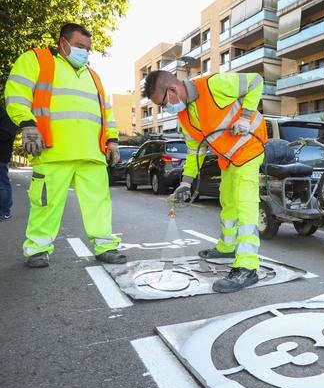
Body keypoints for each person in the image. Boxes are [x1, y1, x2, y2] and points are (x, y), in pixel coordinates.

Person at [4, 23, 126, 268]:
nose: (85, 52)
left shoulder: (94, 76)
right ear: (63, 43)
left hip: (92, 152)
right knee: (45, 203)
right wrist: (28, 125)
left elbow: (106, 113)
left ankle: (105, 245)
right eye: (80, 46)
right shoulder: (37, 60)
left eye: (88, 48)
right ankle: (37, 249)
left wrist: (112, 141)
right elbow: (16, 94)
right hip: (53, 151)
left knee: (99, 203)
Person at [143, 70, 267, 293]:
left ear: (172, 90)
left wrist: (246, 117)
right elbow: (194, 151)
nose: (165, 109)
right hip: (228, 157)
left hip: (250, 147)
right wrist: (185, 183)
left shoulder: (214, 85)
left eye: (162, 104)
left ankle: (248, 266)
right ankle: (227, 247)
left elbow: (256, 80)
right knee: (227, 200)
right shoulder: (184, 115)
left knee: (244, 202)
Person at [0, 104, 19, 220]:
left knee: (2, 185)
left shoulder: (6, 114)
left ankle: (5, 212)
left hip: (1, 156)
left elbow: (8, 134)